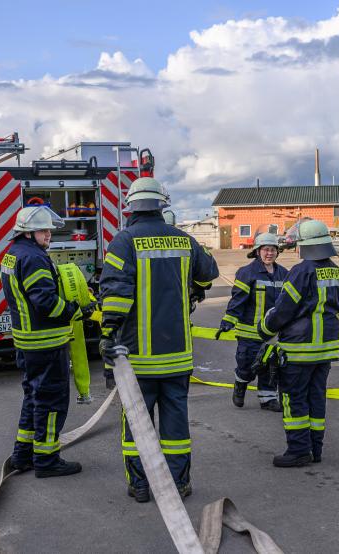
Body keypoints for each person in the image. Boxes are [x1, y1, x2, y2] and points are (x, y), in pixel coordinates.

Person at [98, 177, 219, 503]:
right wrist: (193, 287)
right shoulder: (184, 240)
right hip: (177, 357)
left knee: (137, 427)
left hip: (137, 360)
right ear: (162, 205)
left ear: (131, 206)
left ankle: (140, 486)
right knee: (176, 428)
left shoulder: (124, 242)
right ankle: (180, 484)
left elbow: (115, 294)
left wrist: (109, 333)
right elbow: (209, 273)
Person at [2, 206, 89, 478]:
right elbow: (45, 302)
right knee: (51, 402)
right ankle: (47, 459)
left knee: (34, 398)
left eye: (49, 229)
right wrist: (75, 310)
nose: (49, 234)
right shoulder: (34, 258)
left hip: (27, 343)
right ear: (28, 233)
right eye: (43, 230)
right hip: (45, 343)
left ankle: (23, 455)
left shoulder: (13, 255)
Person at [259, 219, 339, 468]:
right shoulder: (337, 271)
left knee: (294, 398)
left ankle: (298, 450)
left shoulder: (301, 271)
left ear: (305, 245)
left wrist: (264, 330)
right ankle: (315, 449)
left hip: (299, 349)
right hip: (326, 349)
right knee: (316, 398)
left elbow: (284, 310)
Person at [218, 232, 288, 412]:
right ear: (258, 251)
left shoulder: (284, 273)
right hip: (250, 332)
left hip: (273, 333)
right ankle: (240, 384)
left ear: (277, 252)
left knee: (271, 366)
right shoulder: (247, 272)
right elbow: (238, 300)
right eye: (265, 249)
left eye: (272, 250)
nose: (269, 253)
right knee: (247, 366)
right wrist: (228, 320)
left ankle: (268, 399)